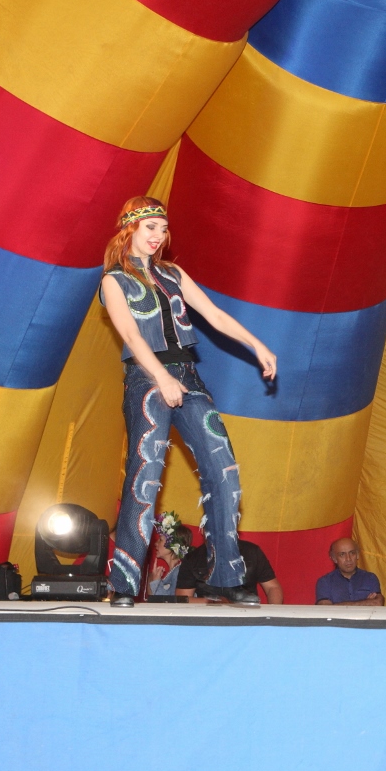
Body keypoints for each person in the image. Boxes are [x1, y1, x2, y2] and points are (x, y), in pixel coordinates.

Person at [100, 196, 277, 608]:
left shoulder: (173, 273)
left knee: (223, 471)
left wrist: (257, 344)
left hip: (188, 377)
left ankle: (226, 577)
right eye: (150, 227)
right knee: (145, 477)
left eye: (163, 229)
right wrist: (160, 378)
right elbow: (131, 335)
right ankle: (124, 584)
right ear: (130, 228)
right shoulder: (114, 279)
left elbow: (214, 315)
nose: (158, 235)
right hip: (146, 379)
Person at [176, 539, 283, 604]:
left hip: (247, 616)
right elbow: (183, 599)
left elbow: (273, 587)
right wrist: (215, 603)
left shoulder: (252, 552)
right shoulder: (192, 559)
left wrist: (273, 614)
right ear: (203, 530)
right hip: (209, 619)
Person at [316, 538, 383, 606]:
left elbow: (378, 603)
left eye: (352, 553)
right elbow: (326, 609)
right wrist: (366, 602)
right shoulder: (325, 582)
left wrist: (336, 605)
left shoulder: (370, 578)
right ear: (334, 558)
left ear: (357, 555)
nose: (348, 559)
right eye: (342, 554)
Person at [145, 511, 192, 598]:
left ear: (172, 545)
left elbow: (171, 602)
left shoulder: (179, 572)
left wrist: (156, 582)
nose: (156, 543)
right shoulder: (175, 571)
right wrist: (152, 578)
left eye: (160, 540)